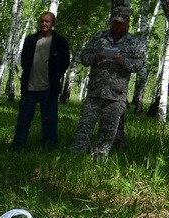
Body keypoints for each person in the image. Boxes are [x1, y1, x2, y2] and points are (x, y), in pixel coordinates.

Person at [70, 6, 147, 157]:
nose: (117, 25)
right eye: (115, 22)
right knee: (84, 126)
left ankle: (99, 159)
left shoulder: (135, 42)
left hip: (116, 94)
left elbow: (139, 65)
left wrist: (124, 61)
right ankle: (75, 156)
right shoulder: (99, 37)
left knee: (108, 130)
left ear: (127, 22)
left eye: (120, 22)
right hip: (95, 89)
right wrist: (95, 58)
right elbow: (83, 57)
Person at [11, 11, 71, 151]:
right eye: (42, 21)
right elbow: (24, 60)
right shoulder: (31, 40)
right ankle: (17, 148)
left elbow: (65, 62)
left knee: (50, 123)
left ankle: (49, 150)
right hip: (30, 88)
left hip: (49, 89)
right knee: (23, 121)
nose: (44, 24)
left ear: (53, 24)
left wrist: (55, 76)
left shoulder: (60, 42)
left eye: (47, 21)